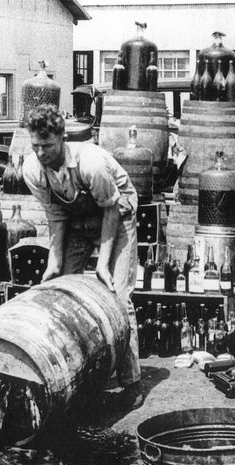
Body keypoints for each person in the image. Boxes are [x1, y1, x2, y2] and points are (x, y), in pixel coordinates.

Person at [20, 103, 143, 409]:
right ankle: (73, 374)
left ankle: (132, 383)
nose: (41, 152)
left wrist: (102, 263)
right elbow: (55, 216)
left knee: (118, 297)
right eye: (35, 145)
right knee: (61, 293)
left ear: (62, 138)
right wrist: (55, 262)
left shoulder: (90, 162)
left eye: (47, 145)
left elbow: (111, 208)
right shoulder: (33, 169)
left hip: (117, 214)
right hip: (77, 221)